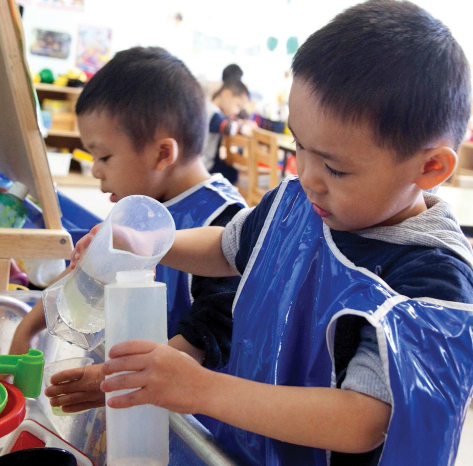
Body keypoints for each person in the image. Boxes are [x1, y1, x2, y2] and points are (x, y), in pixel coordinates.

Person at [71, 1, 473, 464]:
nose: (306, 175)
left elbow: (362, 419)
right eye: (298, 146)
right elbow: (228, 248)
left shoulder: (430, 282)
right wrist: (150, 244)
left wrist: (198, 388)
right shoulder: (300, 202)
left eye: (336, 168)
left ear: (430, 167)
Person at [10, 46, 246, 412]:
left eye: (103, 156)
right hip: (139, 401)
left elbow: (213, 331)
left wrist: (120, 378)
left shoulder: (221, 222)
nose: (95, 171)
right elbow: (80, 283)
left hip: (192, 421)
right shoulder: (136, 210)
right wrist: (27, 328)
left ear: (162, 154)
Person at [202, 79, 255, 184]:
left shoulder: (210, 108)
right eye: (238, 105)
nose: (237, 111)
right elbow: (228, 128)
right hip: (205, 165)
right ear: (226, 94)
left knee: (232, 172)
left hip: (206, 162)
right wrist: (243, 128)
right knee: (232, 174)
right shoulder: (212, 113)